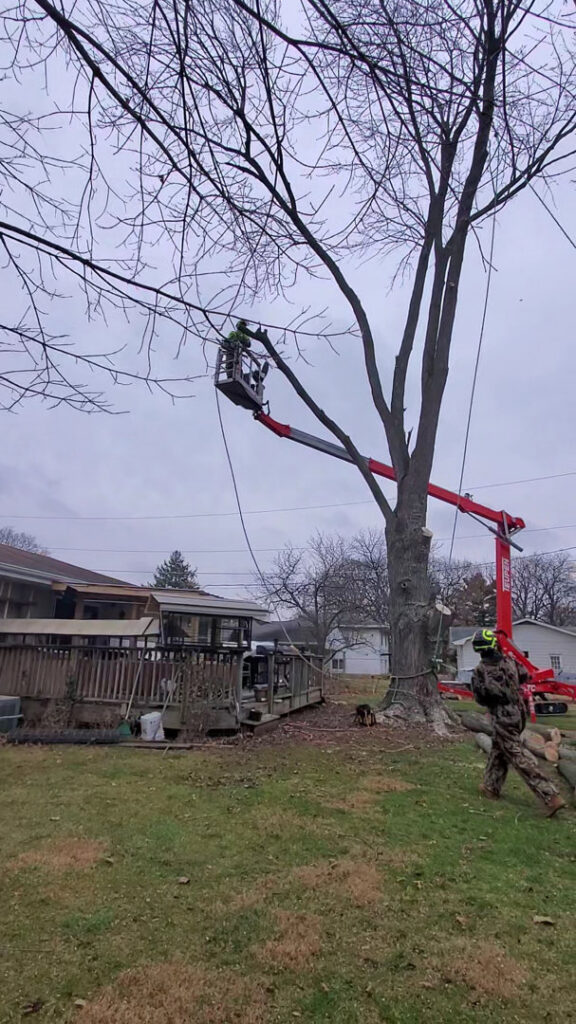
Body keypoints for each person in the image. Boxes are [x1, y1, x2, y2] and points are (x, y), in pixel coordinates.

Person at [470, 629, 565, 817]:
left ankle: (549, 795)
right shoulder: (509, 661)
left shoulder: (481, 671)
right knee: (499, 748)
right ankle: (491, 787)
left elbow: (481, 697)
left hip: (502, 714)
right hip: (518, 711)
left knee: (516, 754)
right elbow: (525, 676)